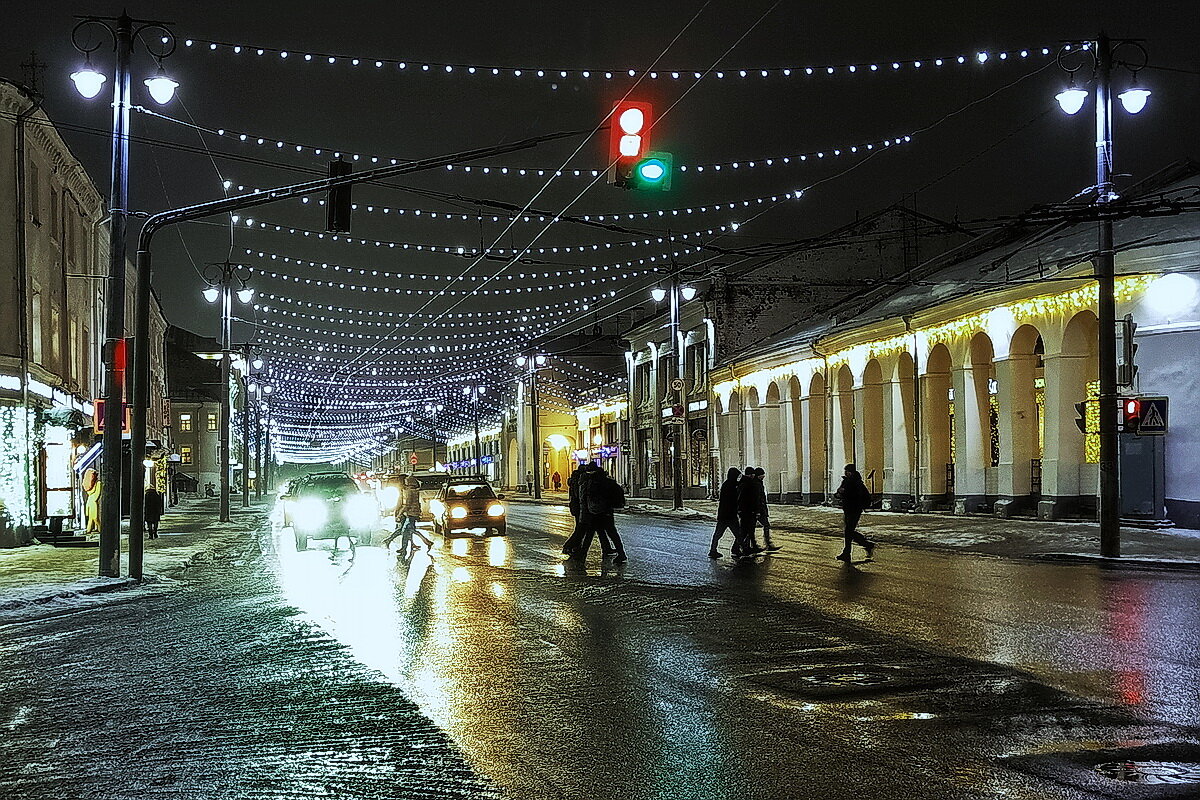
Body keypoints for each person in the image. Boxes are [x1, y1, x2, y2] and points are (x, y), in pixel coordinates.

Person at [570, 466, 627, 564]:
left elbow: (587, 497)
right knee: (612, 534)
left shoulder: (594, 483)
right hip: (607, 512)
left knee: (590, 534)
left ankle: (582, 554)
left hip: (596, 513)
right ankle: (621, 554)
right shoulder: (609, 482)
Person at [834, 463, 876, 562]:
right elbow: (839, 493)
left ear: (851, 472)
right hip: (848, 509)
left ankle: (862, 546)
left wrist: (843, 492)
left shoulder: (856, 483)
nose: (846, 472)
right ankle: (858, 548)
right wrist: (839, 493)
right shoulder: (847, 481)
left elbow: (854, 495)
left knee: (849, 531)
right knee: (849, 531)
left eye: (847, 471)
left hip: (855, 509)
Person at [708, 467, 744, 558]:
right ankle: (737, 550)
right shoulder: (731, 486)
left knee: (718, 534)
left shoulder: (727, 484)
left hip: (724, 515)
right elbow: (733, 500)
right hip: (729, 515)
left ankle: (713, 550)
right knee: (738, 533)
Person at [735, 466, 763, 557]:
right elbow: (753, 499)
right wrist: (756, 510)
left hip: (744, 510)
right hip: (748, 511)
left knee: (748, 530)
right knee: (746, 530)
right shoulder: (749, 484)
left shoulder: (742, 483)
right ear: (751, 475)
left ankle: (749, 547)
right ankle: (737, 548)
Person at [753, 467, 780, 551]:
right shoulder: (756, 484)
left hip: (759, 510)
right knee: (764, 526)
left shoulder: (758, 483)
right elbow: (757, 499)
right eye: (762, 474)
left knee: (751, 529)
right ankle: (767, 544)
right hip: (758, 510)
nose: (763, 476)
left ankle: (751, 545)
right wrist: (758, 511)